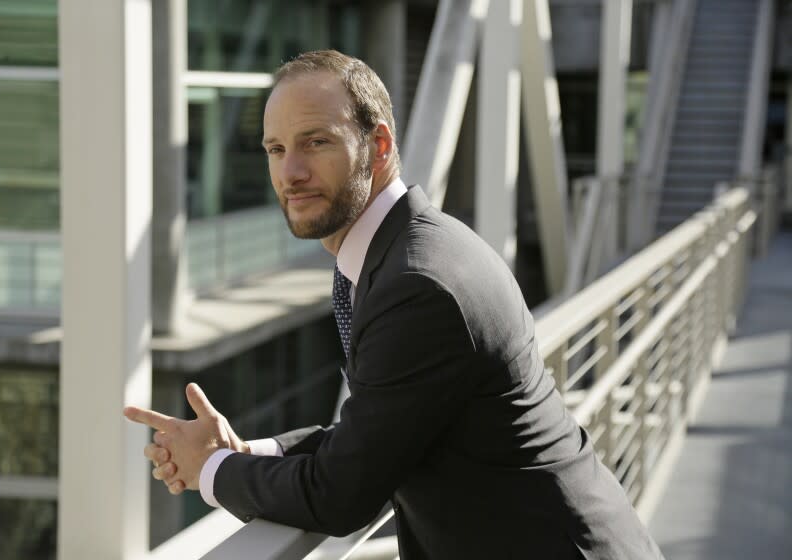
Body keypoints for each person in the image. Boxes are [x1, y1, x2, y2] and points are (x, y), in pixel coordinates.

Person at [124, 50, 664, 559]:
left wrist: (212, 469)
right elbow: (382, 424)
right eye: (276, 149)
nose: (290, 173)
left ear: (379, 146)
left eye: (316, 142)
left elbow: (340, 495)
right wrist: (248, 452)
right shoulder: (404, 250)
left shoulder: (418, 284)